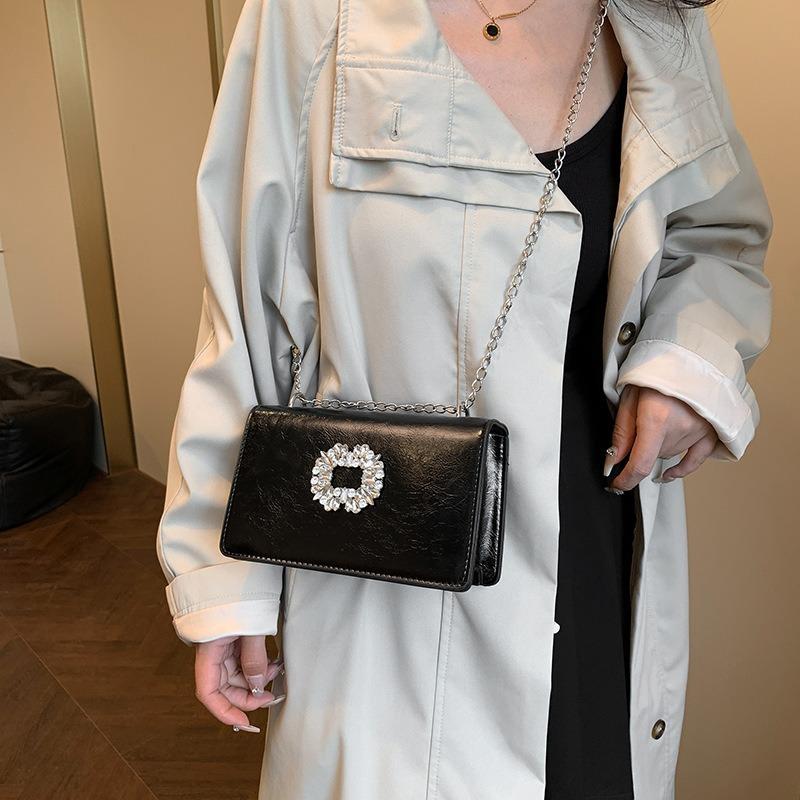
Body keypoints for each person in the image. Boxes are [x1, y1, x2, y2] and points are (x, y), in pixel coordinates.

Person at [155, 0, 773, 797]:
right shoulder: (309, 13)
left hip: (599, 548)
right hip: (382, 574)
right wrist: (224, 578)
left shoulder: (660, 18)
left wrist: (688, 364)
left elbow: (714, 234)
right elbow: (244, 297)